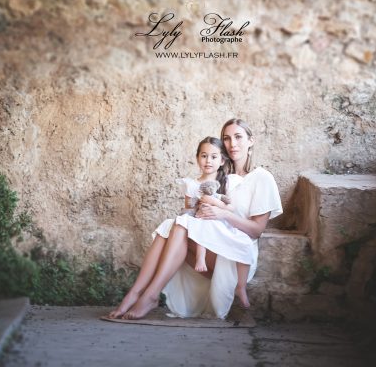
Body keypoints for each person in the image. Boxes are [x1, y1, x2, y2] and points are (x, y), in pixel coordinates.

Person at [108, 118, 282, 320]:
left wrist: (223, 213)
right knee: (170, 227)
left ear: (251, 141)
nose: (232, 144)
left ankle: (150, 295)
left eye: (238, 137)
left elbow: (257, 230)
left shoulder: (261, 177)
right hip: (211, 245)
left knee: (180, 225)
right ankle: (136, 294)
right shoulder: (219, 175)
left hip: (235, 256)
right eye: (226, 138)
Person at [176, 137, 253, 308]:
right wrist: (196, 208)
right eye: (204, 156)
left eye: (213, 156)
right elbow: (188, 208)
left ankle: (241, 287)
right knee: (200, 227)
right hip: (201, 220)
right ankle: (200, 259)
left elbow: (230, 208)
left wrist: (213, 201)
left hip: (220, 224)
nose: (208, 161)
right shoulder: (192, 184)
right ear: (197, 158)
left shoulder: (226, 182)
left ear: (222, 160)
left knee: (245, 244)